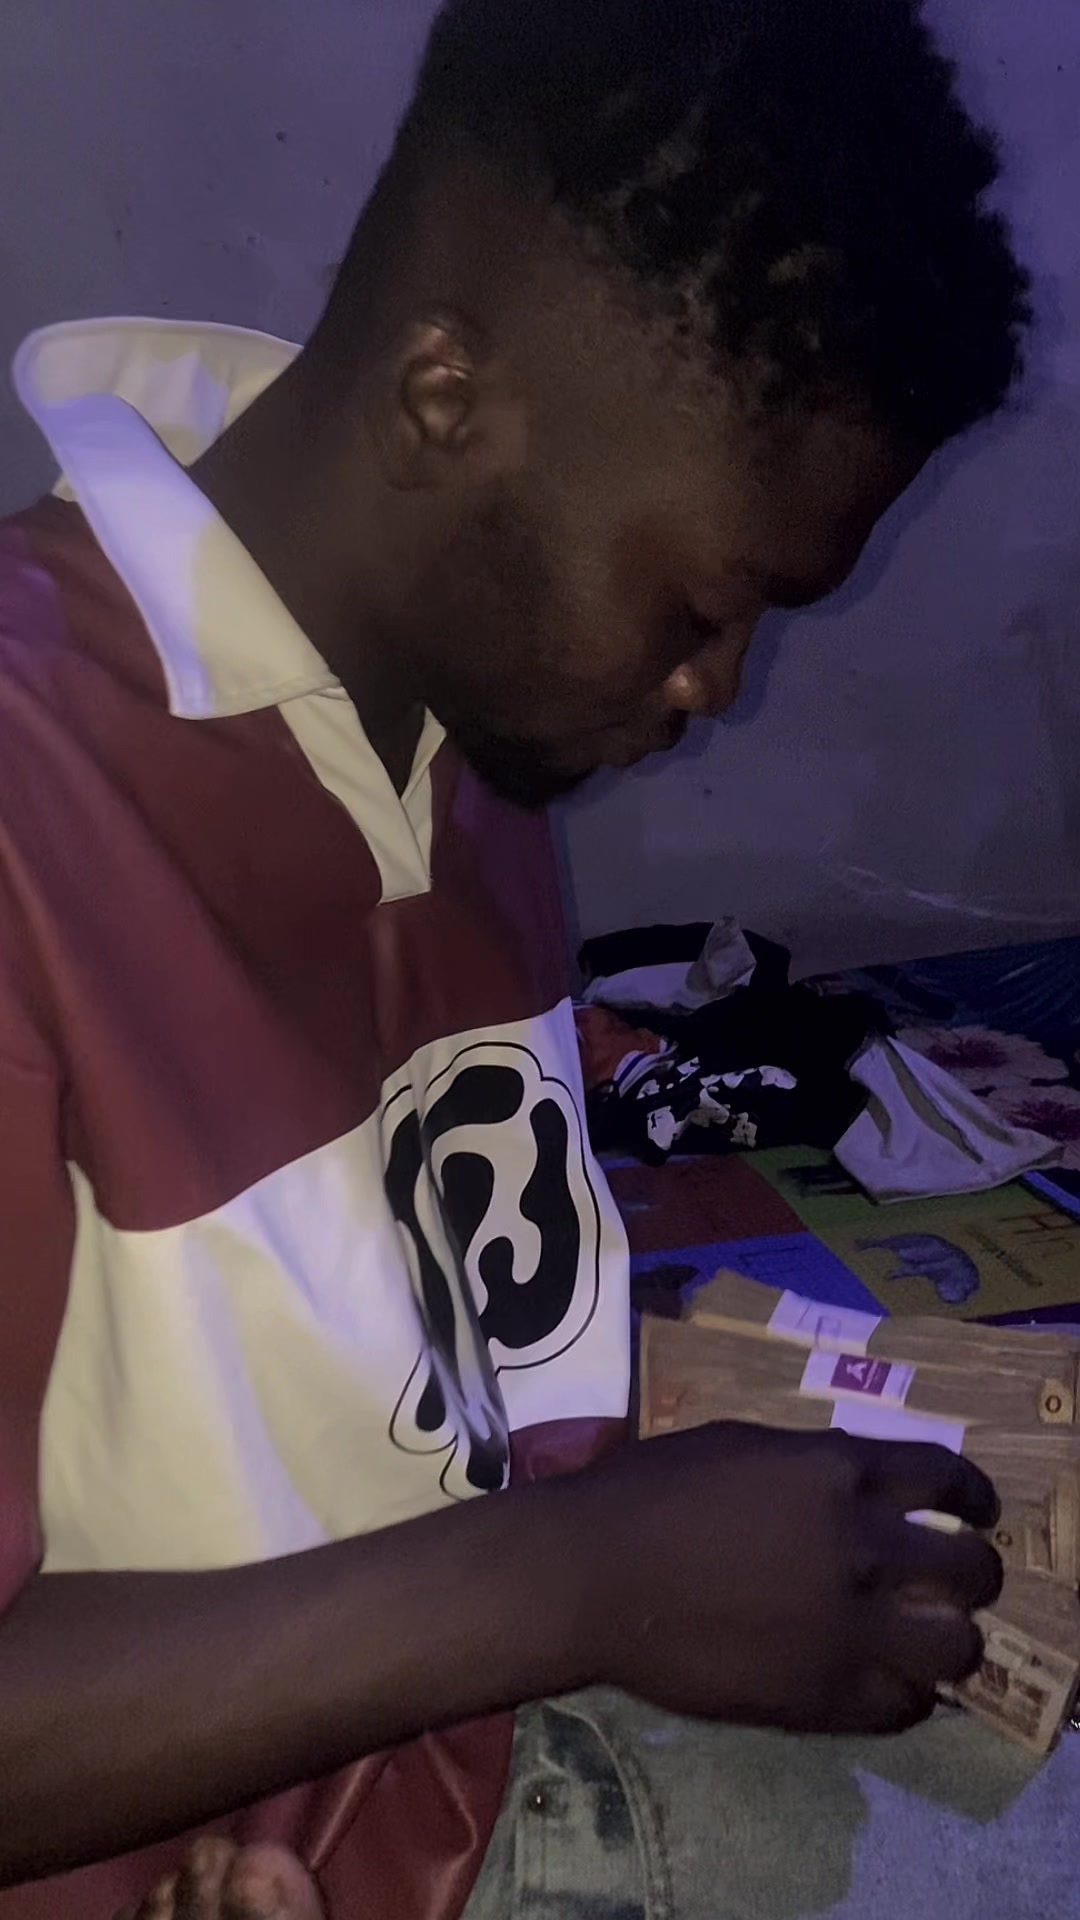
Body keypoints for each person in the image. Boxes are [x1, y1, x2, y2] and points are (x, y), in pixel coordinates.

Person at [0, 2, 1040, 1917]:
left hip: (448, 1734)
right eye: (701, 606)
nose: (715, 691)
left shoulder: (462, 731)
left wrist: (636, 1515)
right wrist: (582, 1579)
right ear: (444, 401)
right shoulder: (32, 804)